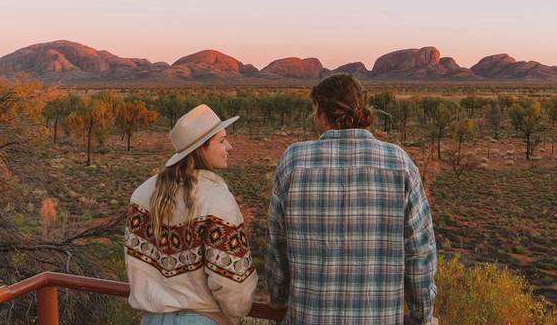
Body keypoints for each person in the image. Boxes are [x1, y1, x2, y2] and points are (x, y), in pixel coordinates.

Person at [266, 74, 438, 324]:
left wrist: (278, 297)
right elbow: (420, 251)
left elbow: (277, 243)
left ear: (322, 112)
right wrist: (422, 314)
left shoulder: (294, 161)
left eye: (315, 110)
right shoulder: (398, 162)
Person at [125, 104, 258, 325]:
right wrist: (235, 313)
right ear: (201, 148)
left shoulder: (142, 194)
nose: (230, 146)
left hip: (151, 319)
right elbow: (233, 284)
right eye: (222, 140)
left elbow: (135, 265)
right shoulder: (216, 199)